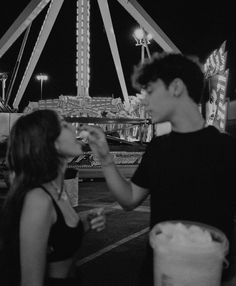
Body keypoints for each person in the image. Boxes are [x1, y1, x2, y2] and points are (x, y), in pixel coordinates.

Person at [82, 52, 236, 285]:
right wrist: (104, 157)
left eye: (150, 91)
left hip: (211, 275)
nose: (144, 100)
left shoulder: (226, 148)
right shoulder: (158, 147)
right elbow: (129, 199)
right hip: (158, 274)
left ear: (176, 87)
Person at [0, 109, 106, 286]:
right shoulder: (38, 199)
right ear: (52, 143)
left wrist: (85, 221)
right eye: (64, 125)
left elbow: (57, 235)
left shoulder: (56, 189)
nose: (74, 129)